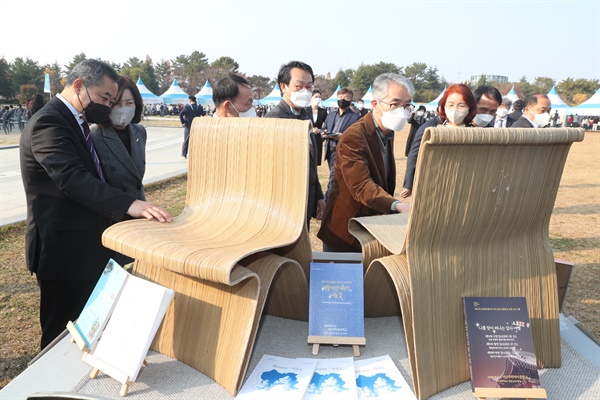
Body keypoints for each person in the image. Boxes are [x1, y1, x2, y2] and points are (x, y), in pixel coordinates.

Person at [20, 59, 173, 349]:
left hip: (84, 248)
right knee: (59, 335)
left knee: (86, 327)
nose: (106, 106)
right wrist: (130, 204)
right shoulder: (49, 121)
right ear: (79, 86)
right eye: (104, 97)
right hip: (61, 251)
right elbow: (72, 178)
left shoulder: (75, 121)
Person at [317, 73, 413, 252]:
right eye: (395, 104)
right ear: (375, 104)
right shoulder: (354, 136)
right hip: (346, 232)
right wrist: (396, 205)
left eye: (407, 105)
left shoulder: (386, 132)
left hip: (371, 228)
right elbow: (361, 185)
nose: (402, 111)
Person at [89, 75, 149, 266]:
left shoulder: (139, 132)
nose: (123, 108)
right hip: (112, 221)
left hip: (140, 219)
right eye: (116, 103)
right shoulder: (94, 136)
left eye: (129, 102)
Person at [264, 60, 325, 228]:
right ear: (283, 86)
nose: (305, 91)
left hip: (306, 201)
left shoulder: (305, 114)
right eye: (299, 86)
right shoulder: (274, 120)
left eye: (309, 87)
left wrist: (318, 196)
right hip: (285, 207)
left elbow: (311, 163)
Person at [401, 83, 477, 198]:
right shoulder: (431, 129)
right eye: (450, 105)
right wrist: (409, 184)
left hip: (466, 187)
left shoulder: (475, 132)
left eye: (461, 106)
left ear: (470, 108)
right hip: (434, 186)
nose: (455, 110)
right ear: (443, 106)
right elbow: (414, 154)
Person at [322, 88, 361, 200]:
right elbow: (324, 128)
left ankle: (326, 203)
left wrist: (342, 136)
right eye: (340, 97)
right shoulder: (331, 115)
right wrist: (323, 133)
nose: (342, 100)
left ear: (350, 100)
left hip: (343, 152)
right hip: (330, 151)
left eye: (346, 98)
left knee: (333, 179)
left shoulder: (355, 117)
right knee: (336, 178)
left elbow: (357, 137)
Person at [307, 89, 328, 165]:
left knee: (316, 162)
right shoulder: (305, 110)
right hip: (308, 139)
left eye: (319, 97)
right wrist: (311, 129)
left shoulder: (323, 111)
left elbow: (327, 125)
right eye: (316, 97)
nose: (318, 99)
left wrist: (320, 130)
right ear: (311, 98)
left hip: (318, 139)